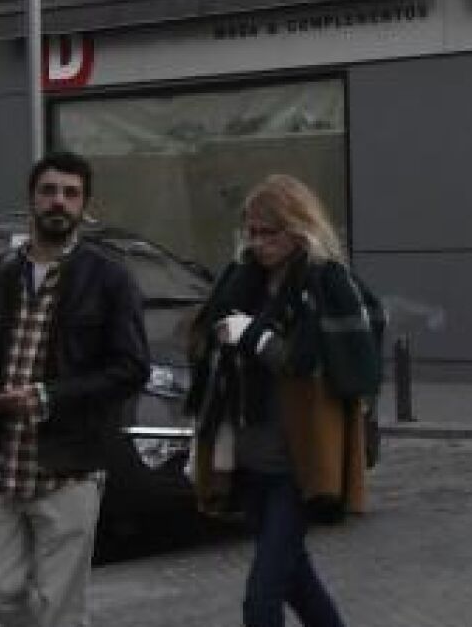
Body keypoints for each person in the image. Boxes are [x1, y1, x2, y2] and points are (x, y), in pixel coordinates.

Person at [0, 151, 150, 627]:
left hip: (69, 470)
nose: (59, 201)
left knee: (61, 609)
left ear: (83, 206)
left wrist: (46, 397)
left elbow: (130, 368)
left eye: (70, 194)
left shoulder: (108, 279)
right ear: (32, 200)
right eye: (49, 191)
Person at [188, 175, 385, 627]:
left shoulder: (324, 282)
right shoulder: (242, 280)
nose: (258, 243)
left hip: (298, 464)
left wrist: (252, 335)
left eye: (268, 233)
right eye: (252, 232)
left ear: (298, 228)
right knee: (297, 580)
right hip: (250, 457)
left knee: (261, 600)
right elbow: (205, 344)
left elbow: (309, 363)